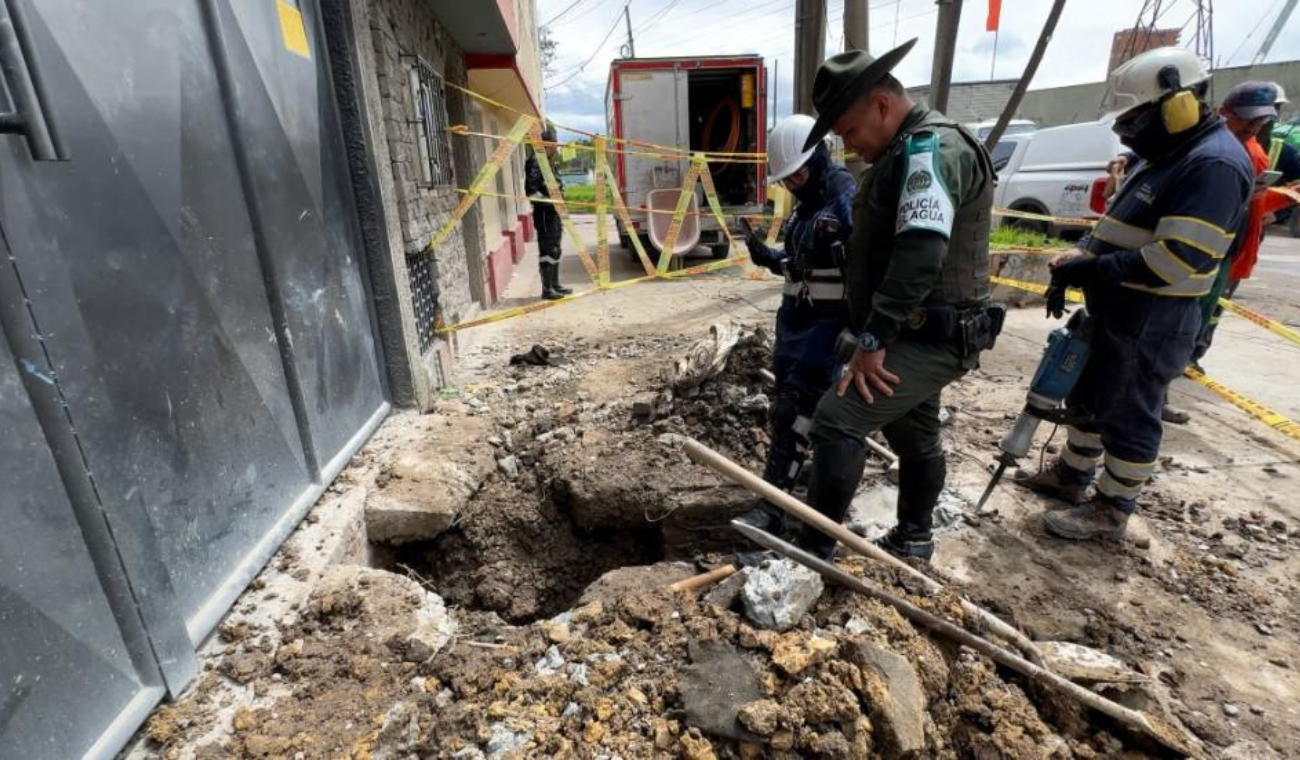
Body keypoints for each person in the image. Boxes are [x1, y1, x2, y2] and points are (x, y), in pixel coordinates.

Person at [1016, 48, 1253, 540]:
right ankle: (1071, 476)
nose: (1125, 131)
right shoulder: (1165, 154)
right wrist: (1080, 254)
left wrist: (1093, 268)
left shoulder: (1213, 166)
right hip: (1118, 304)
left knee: (1128, 410)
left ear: (1179, 105)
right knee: (1088, 395)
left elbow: (1176, 260)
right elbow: (1115, 224)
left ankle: (1111, 510)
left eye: (1133, 119)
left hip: (1153, 317)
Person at [785, 39, 1003, 562]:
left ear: (882, 104)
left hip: (932, 332)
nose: (850, 146)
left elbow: (919, 254)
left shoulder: (932, 151)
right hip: (915, 329)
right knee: (915, 435)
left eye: (852, 132)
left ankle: (812, 555)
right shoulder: (900, 153)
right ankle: (913, 539)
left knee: (838, 418)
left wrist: (873, 339)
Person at [732, 115, 856, 536]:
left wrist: (859, 330)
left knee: (795, 411)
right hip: (794, 326)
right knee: (788, 407)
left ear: (820, 157)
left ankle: (773, 506)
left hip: (826, 328)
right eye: (786, 179)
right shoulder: (805, 208)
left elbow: (868, 270)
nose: (792, 184)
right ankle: (798, 473)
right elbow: (798, 263)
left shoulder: (845, 199)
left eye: (798, 174)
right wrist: (766, 256)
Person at [1189, 81, 1276, 367]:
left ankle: (1188, 358)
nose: (1252, 126)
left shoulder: (1254, 153)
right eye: (1245, 118)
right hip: (1192, 248)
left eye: (1259, 120)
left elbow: (1254, 209)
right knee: (1182, 315)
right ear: (1224, 111)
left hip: (1227, 247)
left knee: (1205, 311)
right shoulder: (1202, 144)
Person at [525, 125, 572, 301]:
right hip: (545, 214)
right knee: (547, 249)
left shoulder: (548, 161)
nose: (556, 147)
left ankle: (555, 283)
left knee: (556, 248)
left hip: (554, 213)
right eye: (554, 144)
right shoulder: (535, 161)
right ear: (546, 144)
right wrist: (549, 203)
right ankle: (547, 288)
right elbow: (532, 191)